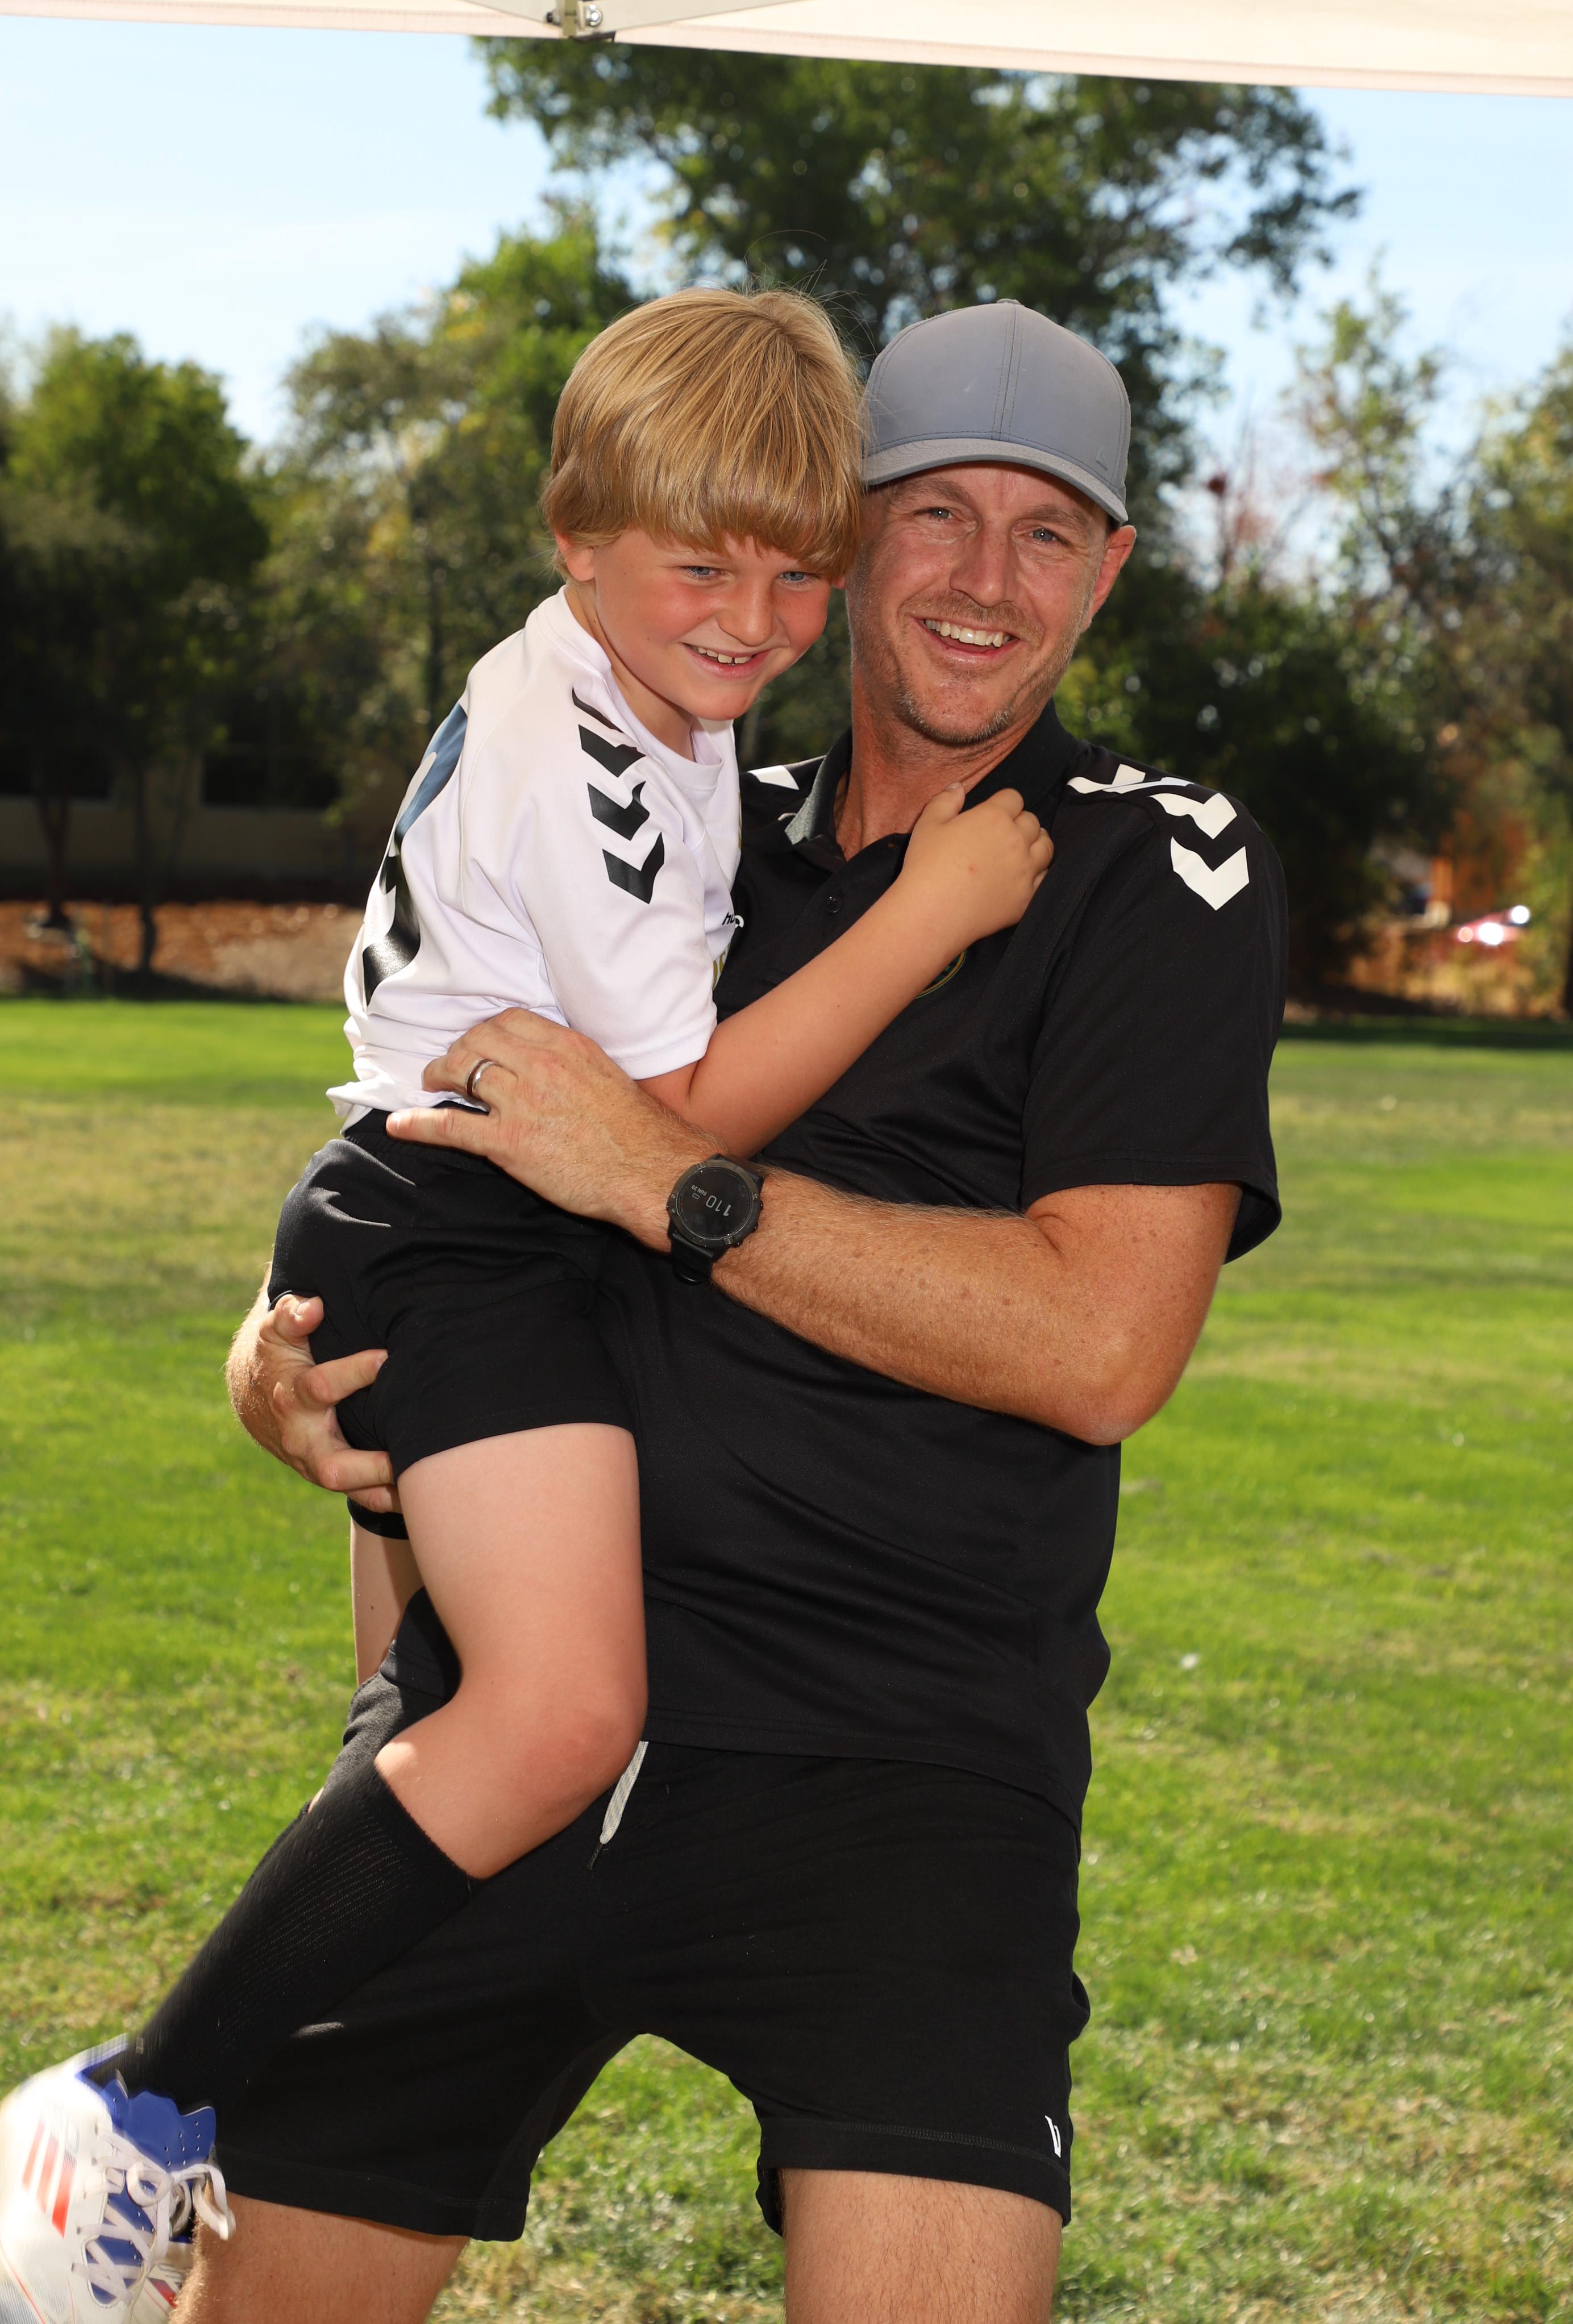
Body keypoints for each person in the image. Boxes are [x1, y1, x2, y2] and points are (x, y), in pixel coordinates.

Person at [31, 298, 1290, 2324]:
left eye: (1048, 530)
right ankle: (126, 2126)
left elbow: (1100, 1346)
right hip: (522, 1725)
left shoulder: (1145, 859)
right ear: (851, 534)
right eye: (936, 515)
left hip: (903, 1765)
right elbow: (440, 1157)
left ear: (1110, 567)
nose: (985, 578)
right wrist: (287, 1371)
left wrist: (668, 1181)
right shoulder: (685, 799)